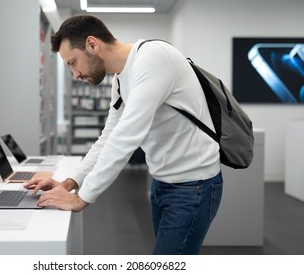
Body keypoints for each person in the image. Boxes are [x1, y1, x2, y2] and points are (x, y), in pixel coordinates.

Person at [24, 14, 223, 255]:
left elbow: (127, 136)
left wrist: (81, 199)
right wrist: (70, 183)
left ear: (92, 44)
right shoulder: (120, 80)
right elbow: (109, 136)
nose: (75, 74)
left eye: (73, 63)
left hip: (194, 186)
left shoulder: (152, 58)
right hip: (162, 182)